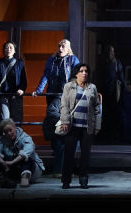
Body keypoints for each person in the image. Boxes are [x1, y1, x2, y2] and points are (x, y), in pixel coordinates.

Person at [32, 39, 80, 175]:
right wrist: (39, 90)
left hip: (66, 97)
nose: (60, 48)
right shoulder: (52, 60)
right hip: (52, 96)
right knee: (56, 127)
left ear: (68, 48)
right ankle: (59, 158)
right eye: (59, 46)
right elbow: (46, 76)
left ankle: (63, 164)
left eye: (63, 46)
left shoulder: (73, 60)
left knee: (65, 130)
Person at [59, 63, 101, 189]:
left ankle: (83, 179)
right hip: (72, 126)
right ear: (76, 73)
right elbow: (64, 105)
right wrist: (65, 121)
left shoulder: (92, 87)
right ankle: (66, 180)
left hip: (87, 127)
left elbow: (97, 107)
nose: (84, 73)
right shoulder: (69, 86)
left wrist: (97, 126)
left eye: (86, 71)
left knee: (85, 155)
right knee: (69, 154)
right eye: (81, 71)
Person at [0, 118, 44, 188]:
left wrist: (12, 162)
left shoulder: (25, 137)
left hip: (32, 169)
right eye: (5, 132)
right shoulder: (2, 139)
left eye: (10, 130)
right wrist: (3, 162)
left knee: (26, 158)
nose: (8, 133)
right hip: (12, 169)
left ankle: (25, 178)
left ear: (15, 127)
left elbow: (27, 150)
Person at [96, 45, 125, 143]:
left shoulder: (116, 63)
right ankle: (106, 137)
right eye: (108, 51)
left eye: (111, 51)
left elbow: (121, 78)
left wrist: (125, 89)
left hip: (113, 94)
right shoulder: (102, 63)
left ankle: (112, 136)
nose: (110, 53)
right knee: (105, 115)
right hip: (104, 94)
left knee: (113, 115)